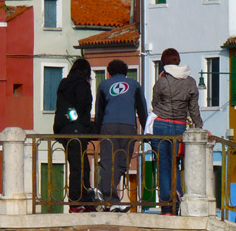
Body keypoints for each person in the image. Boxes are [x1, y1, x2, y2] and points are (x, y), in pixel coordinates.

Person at [151, 48, 203, 215]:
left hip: (160, 125)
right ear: (178, 61)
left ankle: (166, 207)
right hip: (179, 127)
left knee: (163, 165)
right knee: (176, 164)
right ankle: (177, 200)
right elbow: (194, 110)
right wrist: (199, 126)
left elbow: (155, 104)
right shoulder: (191, 82)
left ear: (164, 63)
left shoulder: (161, 82)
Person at [94, 59, 148, 212]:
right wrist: (146, 131)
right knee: (122, 163)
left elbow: (99, 111)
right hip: (128, 127)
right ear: (126, 72)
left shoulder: (103, 85)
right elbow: (142, 109)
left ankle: (104, 193)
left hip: (108, 127)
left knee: (107, 162)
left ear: (109, 72)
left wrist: (96, 132)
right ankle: (110, 198)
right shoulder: (135, 85)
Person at [53, 58, 97, 212]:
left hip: (64, 131)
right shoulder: (81, 86)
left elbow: (62, 108)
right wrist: (87, 126)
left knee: (79, 165)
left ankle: (82, 199)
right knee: (81, 167)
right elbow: (82, 108)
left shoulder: (63, 85)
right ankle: (77, 202)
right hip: (77, 131)